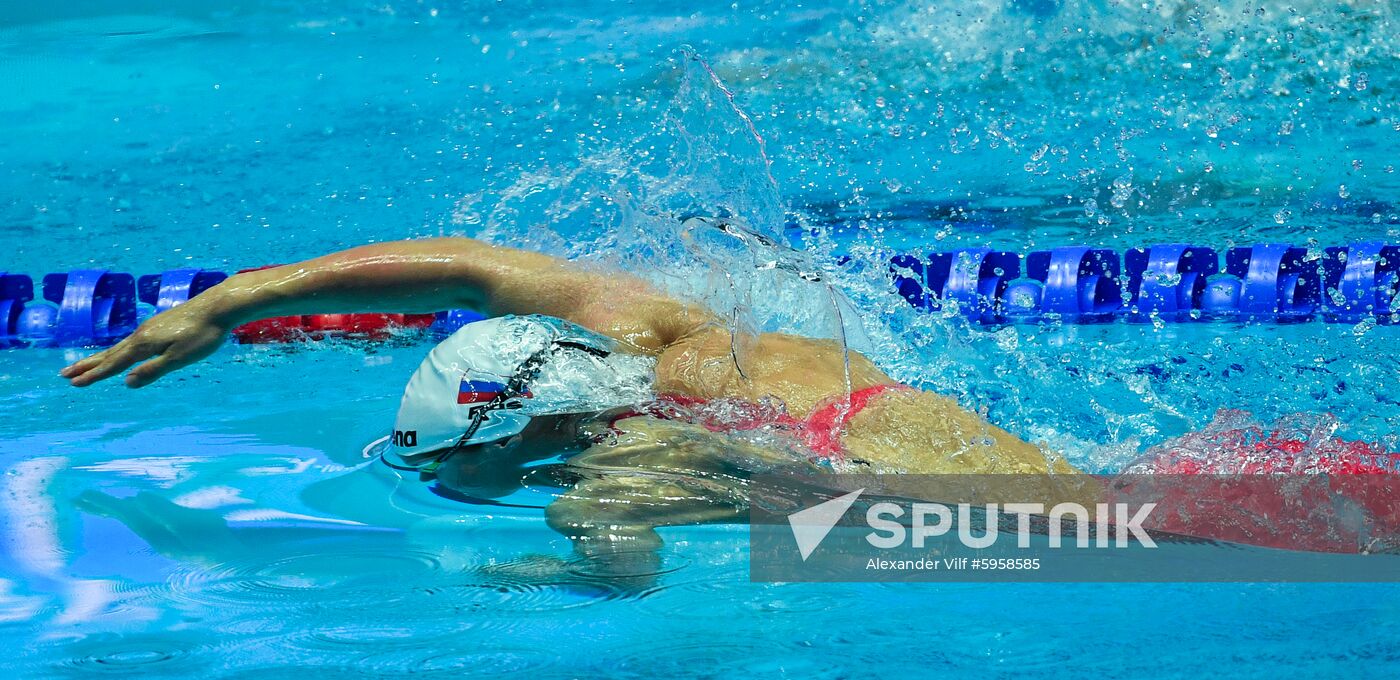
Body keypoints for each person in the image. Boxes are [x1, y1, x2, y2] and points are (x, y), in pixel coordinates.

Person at [59, 233, 1081, 574]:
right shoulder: (650, 330)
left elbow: (620, 573)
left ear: (539, 426)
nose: (451, 478)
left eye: (458, 457)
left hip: (961, 501)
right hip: (932, 442)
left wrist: (554, 571)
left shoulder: (615, 475)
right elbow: (464, 264)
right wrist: (236, 300)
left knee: (1172, 531)